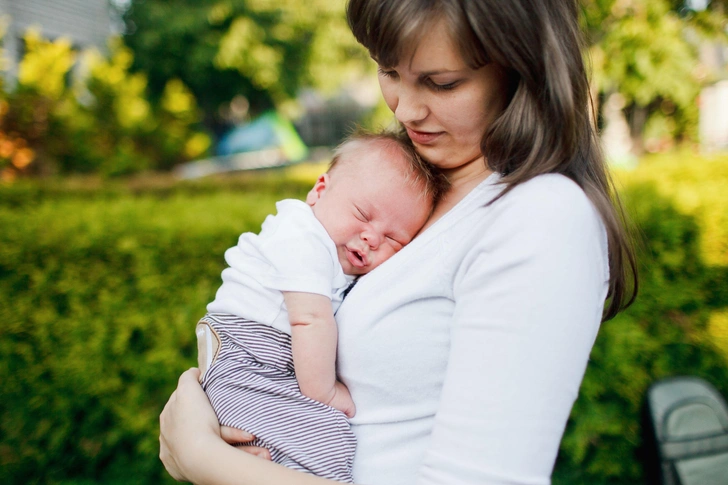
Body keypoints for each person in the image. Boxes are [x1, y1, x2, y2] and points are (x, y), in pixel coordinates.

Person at [159, 0, 638, 484]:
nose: (406, 109)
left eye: (442, 82)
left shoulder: (541, 215)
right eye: (388, 70)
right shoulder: (406, 190)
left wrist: (202, 457)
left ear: (522, 69)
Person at [195, 131, 445, 483]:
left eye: (393, 239)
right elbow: (310, 321)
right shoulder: (303, 234)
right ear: (319, 190)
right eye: (362, 213)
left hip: (260, 361)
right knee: (302, 447)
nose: (372, 237)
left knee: (322, 443)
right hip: (247, 355)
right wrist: (326, 393)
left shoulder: (335, 257)